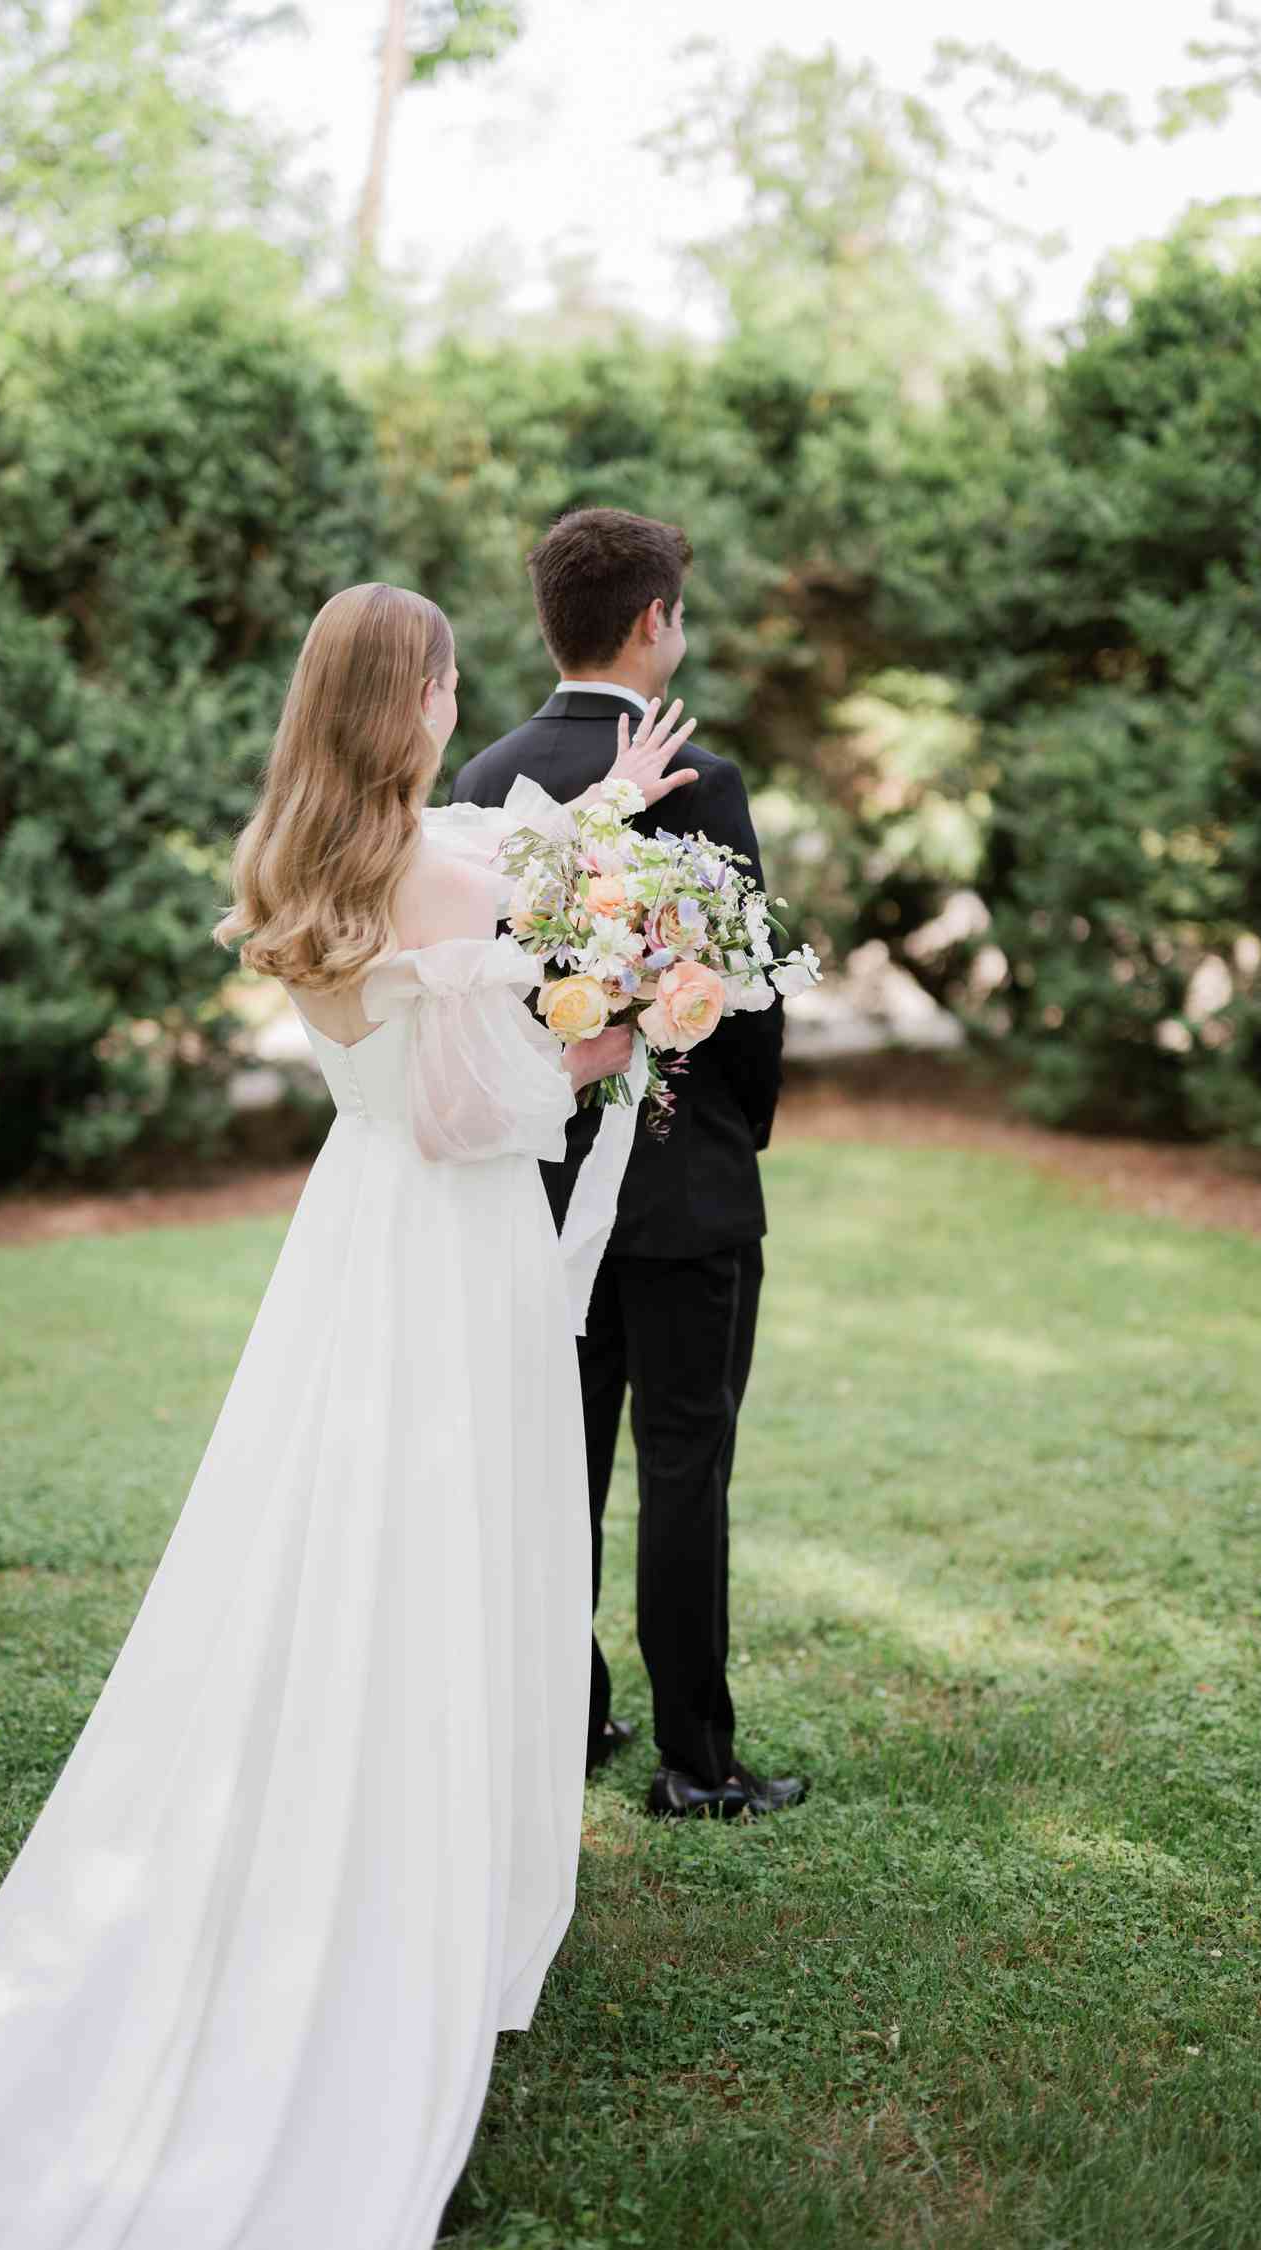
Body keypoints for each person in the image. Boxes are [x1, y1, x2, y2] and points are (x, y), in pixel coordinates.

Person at [0, 582, 700, 2250]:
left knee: (338, 1538)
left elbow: (482, 867)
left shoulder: (303, 858)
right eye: (444, 684)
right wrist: (617, 1035)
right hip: (455, 1248)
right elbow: (478, 1105)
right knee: (456, 1549)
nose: (457, 703)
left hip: (351, 1249)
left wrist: (609, 814)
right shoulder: (441, 864)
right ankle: (419, 1898)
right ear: (404, 701)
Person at [452, 507, 807, 1821]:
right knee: (684, 1465)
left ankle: (569, 1712)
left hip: (537, 1194)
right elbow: (751, 989)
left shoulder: (486, 781)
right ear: (654, 620)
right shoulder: (695, 778)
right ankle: (696, 1758)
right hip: (684, 1185)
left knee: (559, 1467)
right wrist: (738, 1128)